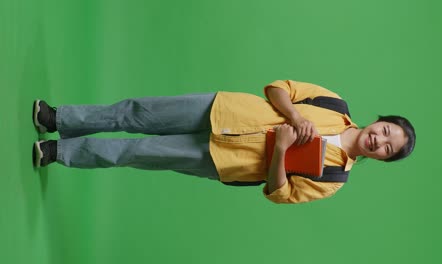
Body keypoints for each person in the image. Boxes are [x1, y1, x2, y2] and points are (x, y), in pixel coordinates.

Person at [32, 80, 416, 204]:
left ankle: (58, 151)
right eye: (386, 131)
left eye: (387, 148)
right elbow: (278, 88)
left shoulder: (334, 178)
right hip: (224, 110)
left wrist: (282, 148)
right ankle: (59, 118)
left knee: (136, 151)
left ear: (382, 159)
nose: (379, 140)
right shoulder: (335, 104)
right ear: (381, 122)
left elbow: (278, 193)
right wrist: (296, 116)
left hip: (222, 160)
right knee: (136, 112)